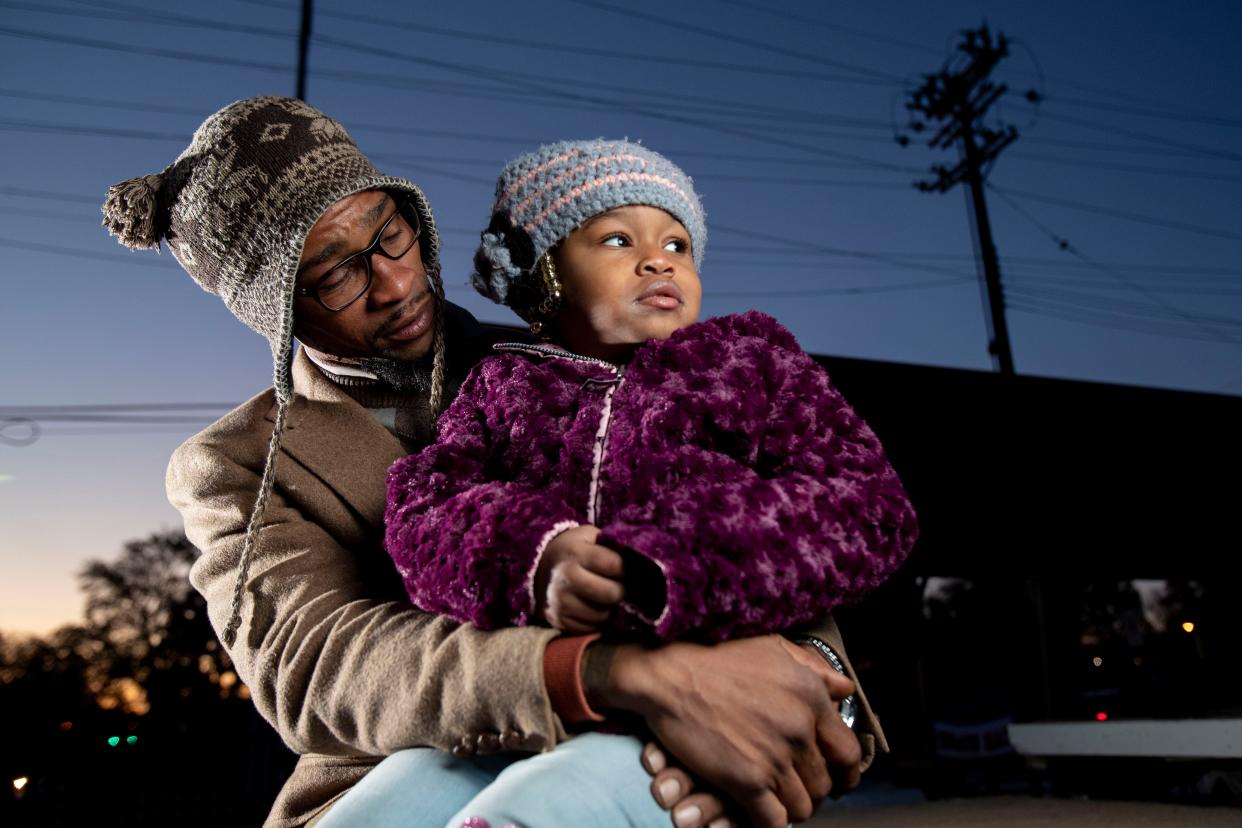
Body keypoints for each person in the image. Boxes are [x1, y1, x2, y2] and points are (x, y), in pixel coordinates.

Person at [102, 97, 888, 828]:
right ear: (275, 312)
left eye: (390, 232)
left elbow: (755, 510)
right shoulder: (237, 464)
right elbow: (322, 666)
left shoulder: (574, 345)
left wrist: (806, 691)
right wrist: (620, 675)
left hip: (658, 749)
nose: (396, 282)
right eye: (336, 273)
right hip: (404, 777)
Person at [383, 140, 918, 826]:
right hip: (544, 705)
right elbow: (425, 506)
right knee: (398, 792)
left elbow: (866, 501)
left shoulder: (748, 364)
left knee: (534, 811)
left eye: (678, 243)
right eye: (615, 238)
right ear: (544, 276)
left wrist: (672, 560)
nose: (658, 258)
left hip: (701, 715)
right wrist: (535, 552)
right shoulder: (501, 386)